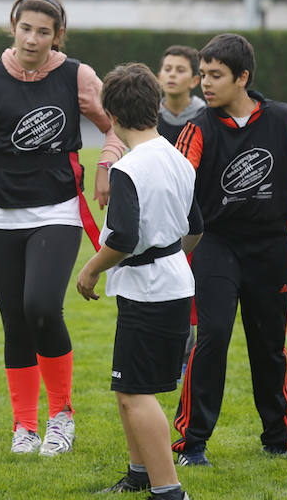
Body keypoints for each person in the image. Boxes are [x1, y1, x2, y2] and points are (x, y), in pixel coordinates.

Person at [0, 0, 126, 457]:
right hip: (1, 216)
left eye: (43, 31)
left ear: (57, 35)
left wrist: (107, 164)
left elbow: (118, 124)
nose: (32, 38)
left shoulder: (77, 76)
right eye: (25, 28)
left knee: (42, 307)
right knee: (15, 323)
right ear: (12, 26)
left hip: (57, 210)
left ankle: (61, 416)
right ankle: (25, 426)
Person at [171, 33, 287, 466]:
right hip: (215, 245)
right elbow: (175, 180)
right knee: (211, 339)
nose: (205, 85)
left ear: (243, 77)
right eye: (204, 75)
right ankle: (192, 444)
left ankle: (276, 439)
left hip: (271, 246)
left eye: (216, 76)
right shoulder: (198, 126)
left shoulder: (282, 120)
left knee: (268, 346)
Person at [76, 63, 200, 500]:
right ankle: (139, 474)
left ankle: (168, 491)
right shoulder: (177, 157)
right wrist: (170, 259)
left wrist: (91, 268)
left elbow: (124, 238)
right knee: (128, 385)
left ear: (110, 115)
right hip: (173, 282)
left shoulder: (127, 169)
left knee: (135, 393)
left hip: (150, 290)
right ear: (156, 105)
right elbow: (196, 226)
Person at [155, 44, 205, 372]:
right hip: (161, 219)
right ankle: (166, 355)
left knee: (193, 291)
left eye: (180, 70)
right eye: (167, 68)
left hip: (199, 220)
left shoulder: (206, 117)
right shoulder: (148, 116)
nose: (172, 75)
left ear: (195, 80)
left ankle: (189, 356)